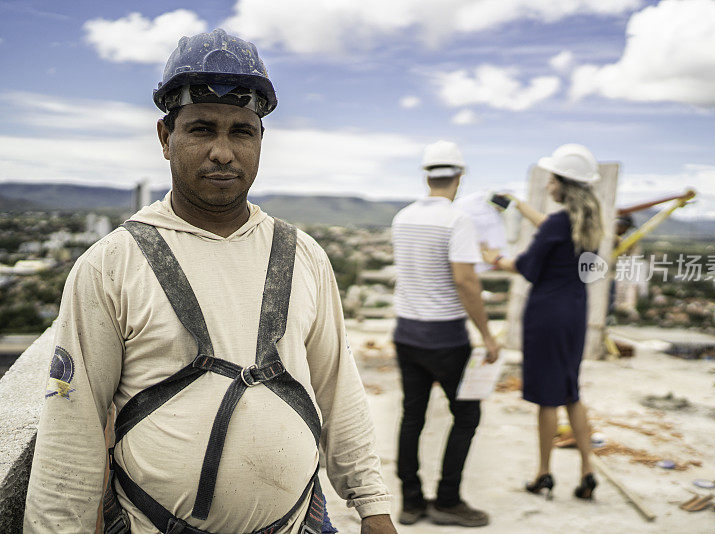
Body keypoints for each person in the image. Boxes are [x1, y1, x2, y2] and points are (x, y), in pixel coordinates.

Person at [24, 29, 396, 534]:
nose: (223, 152)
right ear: (165, 138)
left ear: (260, 140)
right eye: (201, 129)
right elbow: (72, 430)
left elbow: (338, 392)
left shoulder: (303, 255)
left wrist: (372, 507)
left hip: (300, 523)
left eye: (241, 131)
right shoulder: (113, 263)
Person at [482, 144, 604, 501]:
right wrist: (521, 205)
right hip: (575, 314)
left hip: (547, 315)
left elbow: (526, 266)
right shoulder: (588, 222)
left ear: (562, 183)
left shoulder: (557, 223)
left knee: (547, 400)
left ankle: (544, 473)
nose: (548, 183)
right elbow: (551, 229)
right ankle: (587, 471)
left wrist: (495, 258)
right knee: (572, 393)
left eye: (552, 178)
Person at [391, 140, 500, 528]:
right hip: (446, 338)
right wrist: (487, 336)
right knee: (467, 415)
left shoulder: (402, 217)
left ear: (427, 175)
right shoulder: (457, 219)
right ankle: (448, 501)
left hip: (406, 333)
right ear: (459, 176)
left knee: (412, 418)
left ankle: (411, 502)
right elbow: (466, 283)